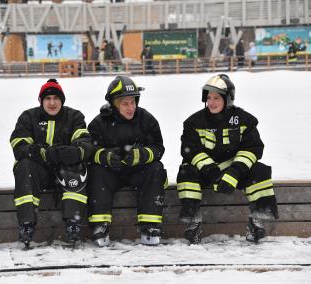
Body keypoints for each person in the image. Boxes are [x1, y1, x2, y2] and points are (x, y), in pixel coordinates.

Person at [176, 74, 279, 245]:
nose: (211, 102)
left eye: (216, 98)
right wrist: (211, 170)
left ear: (228, 99)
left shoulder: (244, 120)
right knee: (186, 171)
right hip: (205, 170)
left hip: (234, 169)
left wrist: (235, 172)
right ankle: (193, 221)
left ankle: (257, 220)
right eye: (208, 97)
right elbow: (190, 151)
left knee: (259, 170)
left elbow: (253, 148)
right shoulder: (194, 122)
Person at [10, 78, 93, 248]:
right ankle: (26, 225)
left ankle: (73, 223)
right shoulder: (28, 117)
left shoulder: (74, 116)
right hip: (38, 172)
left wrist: (72, 152)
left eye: (56, 98)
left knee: (76, 167)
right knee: (24, 165)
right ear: (41, 101)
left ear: (62, 100)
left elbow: (85, 142)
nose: (52, 103)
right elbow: (19, 145)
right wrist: (43, 153)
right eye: (48, 99)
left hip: (64, 172)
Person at [87, 75, 167, 247]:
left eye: (133, 102)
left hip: (139, 172)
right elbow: (88, 151)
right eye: (125, 103)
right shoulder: (99, 123)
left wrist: (142, 155)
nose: (131, 107)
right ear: (113, 104)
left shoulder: (146, 119)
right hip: (111, 174)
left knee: (156, 168)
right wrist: (105, 157)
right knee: (96, 171)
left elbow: (158, 149)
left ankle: (150, 226)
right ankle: (100, 225)